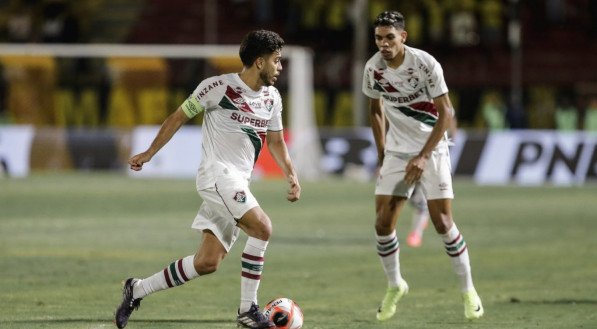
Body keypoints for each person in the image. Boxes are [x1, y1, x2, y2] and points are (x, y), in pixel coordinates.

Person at [114, 30, 301, 329]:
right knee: (262, 228)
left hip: (238, 182)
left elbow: (276, 142)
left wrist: (291, 175)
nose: (280, 67)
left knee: (207, 262)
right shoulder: (217, 87)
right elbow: (177, 117)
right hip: (217, 175)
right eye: (276, 61)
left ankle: (136, 289)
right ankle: (247, 310)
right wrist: (149, 152)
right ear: (259, 61)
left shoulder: (272, 98)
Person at [362, 11, 483, 321]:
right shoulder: (373, 69)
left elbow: (446, 113)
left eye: (390, 37)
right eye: (379, 38)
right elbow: (375, 111)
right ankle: (395, 285)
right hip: (397, 153)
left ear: (403, 36)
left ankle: (469, 291)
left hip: (433, 149)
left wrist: (424, 156)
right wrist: (382, 152)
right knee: (382, 224)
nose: (384, 44)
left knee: (442, 222)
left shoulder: (425, 64)